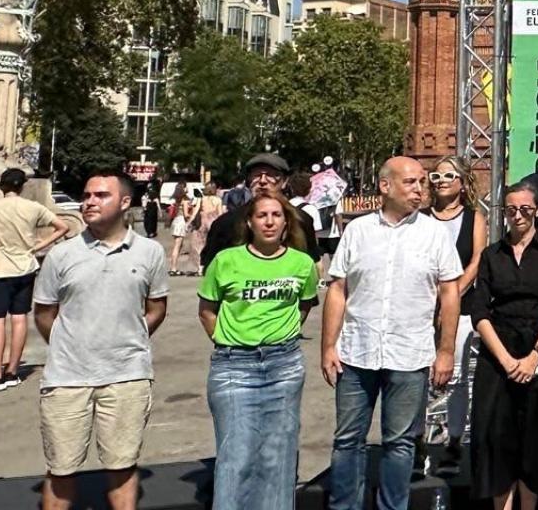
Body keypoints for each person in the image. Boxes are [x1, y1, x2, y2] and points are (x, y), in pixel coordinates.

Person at [322, 156, 464, 510]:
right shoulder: (357, 231)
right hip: (357, 352)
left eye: (422, 182)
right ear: (385, 186)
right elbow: (338, 289)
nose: (420, 189)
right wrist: (328, 345)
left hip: (410, 353)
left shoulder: (433, 233)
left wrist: (445, 351)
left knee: (400, 443)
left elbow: (450, 293)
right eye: (411, 182)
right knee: (347, 440)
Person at [33, 169, 169, 510]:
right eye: (88, 194)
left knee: (121, 466)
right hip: (67, 378)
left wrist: (126, 340)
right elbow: (44, 313)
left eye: (101, 195)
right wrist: (72, 343)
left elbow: (156, 308)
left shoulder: (150, 252)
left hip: (127, 376)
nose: (90, 201)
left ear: (125, 202)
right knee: (61, 469)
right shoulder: (62, 255)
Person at [198, 193, 319, 510]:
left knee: (277, 457)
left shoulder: (302, 264)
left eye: (276, 215)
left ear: (285, 222)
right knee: (236, 456)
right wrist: (229, 339)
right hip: (234, 367)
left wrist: (279, 333)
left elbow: (303, 306)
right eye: (262, 215)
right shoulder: (225, 261)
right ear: (249, 222)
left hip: (284, 367)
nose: (269, 221)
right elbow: (207, 311)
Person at [470, 182, 538, 510]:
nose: (518, 216)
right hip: (498, 351)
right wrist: (505, 359)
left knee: (536, 436)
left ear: (537, 210)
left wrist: (533, 357)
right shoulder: (490, 254)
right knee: (496, 434)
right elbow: (480, 311)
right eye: (511, 209)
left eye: (525, 209)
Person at [0, 167, 70, 393]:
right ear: (22, 186)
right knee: (19, 317)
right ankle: (12, 370)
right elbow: (64, 226)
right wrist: (39, 246)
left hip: (0, 267)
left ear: (2, 187)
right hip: (26, 266)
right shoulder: (33, 207)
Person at [425, 154, 489, 462]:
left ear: (462, 184)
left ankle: (453, 438)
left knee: (457, 374)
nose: (440, 182)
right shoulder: (421, 218)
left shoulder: (474, 218)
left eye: (448, 176)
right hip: (423, 305)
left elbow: (477, 259)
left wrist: (453, 295)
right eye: (435, 177)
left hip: (463, 306)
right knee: (417, 374)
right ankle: (415, 438)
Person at [201, 154, 320, 268]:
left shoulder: (301, 220)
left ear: (284, 182)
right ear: (248, 181)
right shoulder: (225, 223)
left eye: (271, 175)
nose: (263, 181)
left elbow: (312, 263)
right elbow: (211, 268)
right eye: (256, 175)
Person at [189, 191, 222, 275]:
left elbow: (195, 211)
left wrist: (189, 222)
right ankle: (213, 266)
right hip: (213, 222)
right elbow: (220, 214)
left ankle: (200, 267)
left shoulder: (202, 199)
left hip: (202, 223)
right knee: (213, 245)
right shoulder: (218, 200)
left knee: (199, 245)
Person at [168, 186, 193, 275]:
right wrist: (192, 215)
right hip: (181, 222)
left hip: (176, 221)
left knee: (178, 245)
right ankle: (173, 268)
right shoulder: (185, 201)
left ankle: (173, 267)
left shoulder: (177, 200)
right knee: (177, 246)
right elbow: (186, 214)